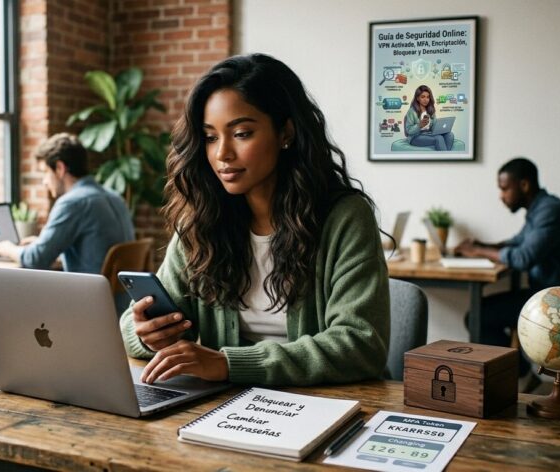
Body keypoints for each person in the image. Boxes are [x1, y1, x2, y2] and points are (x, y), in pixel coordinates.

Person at [119, 54, 390, 387]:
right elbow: (134, 328)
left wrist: (230, 364)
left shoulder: (344, 218)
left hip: (328, 404)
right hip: (229, 406)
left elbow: (360, 344)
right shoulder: (201, 222)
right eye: (210, 137)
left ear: (286, 132)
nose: (222, 154)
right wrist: (148, 333)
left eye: (242, 133)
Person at [455, 157, 560, 390]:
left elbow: (523, 257)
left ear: (524, 185)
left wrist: (478, 251)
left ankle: (515, 379)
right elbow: (517, 243)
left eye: (505, 188)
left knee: (479, 316)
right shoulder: (539, 209)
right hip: (544, 294)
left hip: (558, 301)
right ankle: (522, 376)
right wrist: (483, 244)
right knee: (482, 314)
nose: (501, 195)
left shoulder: (550, 211)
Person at [0, 133, 135, 274]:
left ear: (59, 168)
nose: (44, 181)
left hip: (89, 295)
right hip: (123, 296)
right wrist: (43, 244)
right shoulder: (115, 198)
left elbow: (36, 259)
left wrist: (8, 249)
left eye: (45, 172)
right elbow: (95, 253)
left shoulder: (72, 203)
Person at [404, 85, 454, 151]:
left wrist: (440, 128)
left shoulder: (430, 110)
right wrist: (419, 125)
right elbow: (409, 131)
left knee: (450, 135)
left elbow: (434, 127)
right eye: (423, 97)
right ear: (417, 98)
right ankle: (445, 158)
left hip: (429, 134)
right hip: (415, 137)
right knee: (438, 138)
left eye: (428, 97)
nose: (426, 100)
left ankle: (446, 156)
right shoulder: (412, 111)